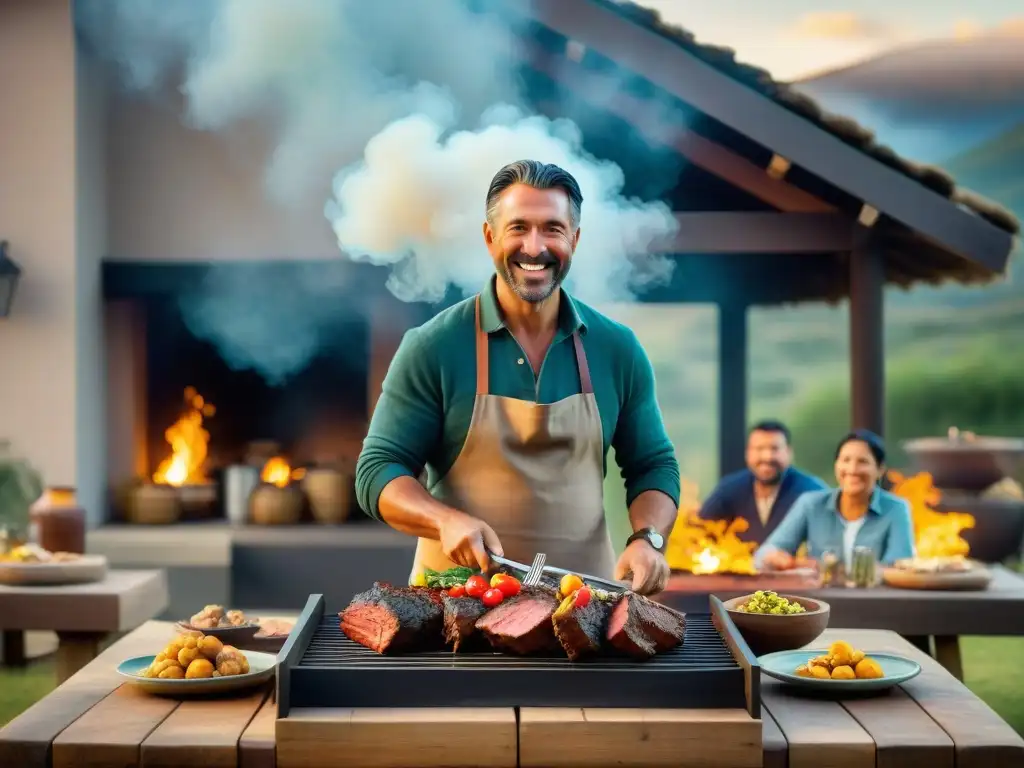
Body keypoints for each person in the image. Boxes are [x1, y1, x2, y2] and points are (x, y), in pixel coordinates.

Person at [355, 159, 681, 595]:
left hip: (583, 608)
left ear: (575, 239)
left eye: (552, 228)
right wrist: (443, 519)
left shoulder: (617, 349)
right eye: (518, 227)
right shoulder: (433, 346)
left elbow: (653, 464)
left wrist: (648, 539)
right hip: (454, 605)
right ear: (490, 237)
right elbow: (377, 470)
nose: (534, 246)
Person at [755, 429, 916, 572]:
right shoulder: (811, 504)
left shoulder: (897, 509)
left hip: (878, 601)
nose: (852, 470)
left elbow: (899, 567)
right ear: (836, 465)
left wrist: (829, 569)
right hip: (819, 601)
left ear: (880, 470)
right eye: (845, 460)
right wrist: (778, 558)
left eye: (863, 462)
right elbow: (763, 554)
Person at [698, 420, 827, 544]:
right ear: (747, 453)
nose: (767, 457)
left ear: (789, 452)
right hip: (736, 564)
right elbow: (698, 530)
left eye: (774, 449)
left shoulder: (812, 492)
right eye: (759, 449)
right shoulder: (729, 489)